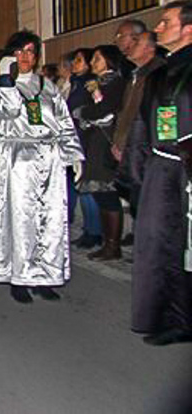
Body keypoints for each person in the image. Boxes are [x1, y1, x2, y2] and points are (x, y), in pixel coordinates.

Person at [0, 30, 84, 303]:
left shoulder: (48, 87)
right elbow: (4, 113)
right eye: (19, 51)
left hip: (49, 157)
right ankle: (20, 276)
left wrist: (73, 154)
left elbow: (64, 122)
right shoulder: (1, 88)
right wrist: (7, 80)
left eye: (31, 51)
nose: (25, 57)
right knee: (21, 218)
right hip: (17, 158)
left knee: (51, 218)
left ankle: (46, 275)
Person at [122, 0, 192, 345]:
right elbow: (142, 123)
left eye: (166, 22)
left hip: (186, 170)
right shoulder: (160, 73)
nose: (158, 28)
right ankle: (175, 317)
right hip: (162, 168)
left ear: (188, 29)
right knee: (161, 245)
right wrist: (135, 170)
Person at [72, 45, 127, 261]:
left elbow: (103, 111)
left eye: (97, 58)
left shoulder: (114, 83)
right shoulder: (96, 83)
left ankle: (112, 245)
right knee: (100, 195)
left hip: (105, 146)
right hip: (93, 144)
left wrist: (85, 112)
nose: (93, 62)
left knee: (107, 195)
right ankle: (107, 242)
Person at [112, 31, 165, 246]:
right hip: (129, 145)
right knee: (137, 198)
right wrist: (118, 141)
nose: (130, 46)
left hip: (146, 148)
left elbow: (145, 115)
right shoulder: (136, 74)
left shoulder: (159, 73)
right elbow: (126, 112)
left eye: (137, 42)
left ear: (149, 48)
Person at [68, 48, 103, 249]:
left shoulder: (91, 83)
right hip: (75, 138)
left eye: (79, 60)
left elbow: (99, 106)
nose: (75, 64)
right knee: (81, 187)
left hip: (88, 138)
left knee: (89, 186)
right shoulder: (76, 83)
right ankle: (89, 230)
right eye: (74, 60)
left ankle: (96, 231)